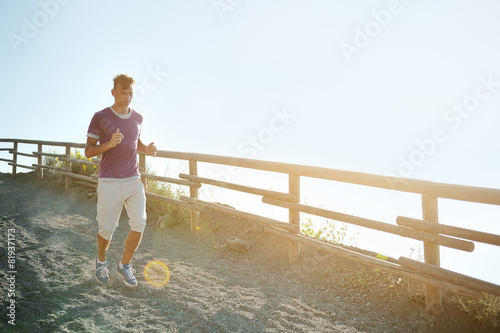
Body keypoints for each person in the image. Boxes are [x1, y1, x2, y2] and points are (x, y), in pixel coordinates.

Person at [85, 74, 157, 287]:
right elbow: (88, 151)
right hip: (109, 181)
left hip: (134, 179)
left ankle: (124, 265)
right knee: (106, 228)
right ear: (113, 92)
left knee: (140, 223)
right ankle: (101, 261)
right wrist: (108, 144)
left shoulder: (138, 118)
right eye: (123, 92)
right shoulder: (100, 116)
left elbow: (135, 142)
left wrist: (147, 149)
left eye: (130, 93)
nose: (127, 97)